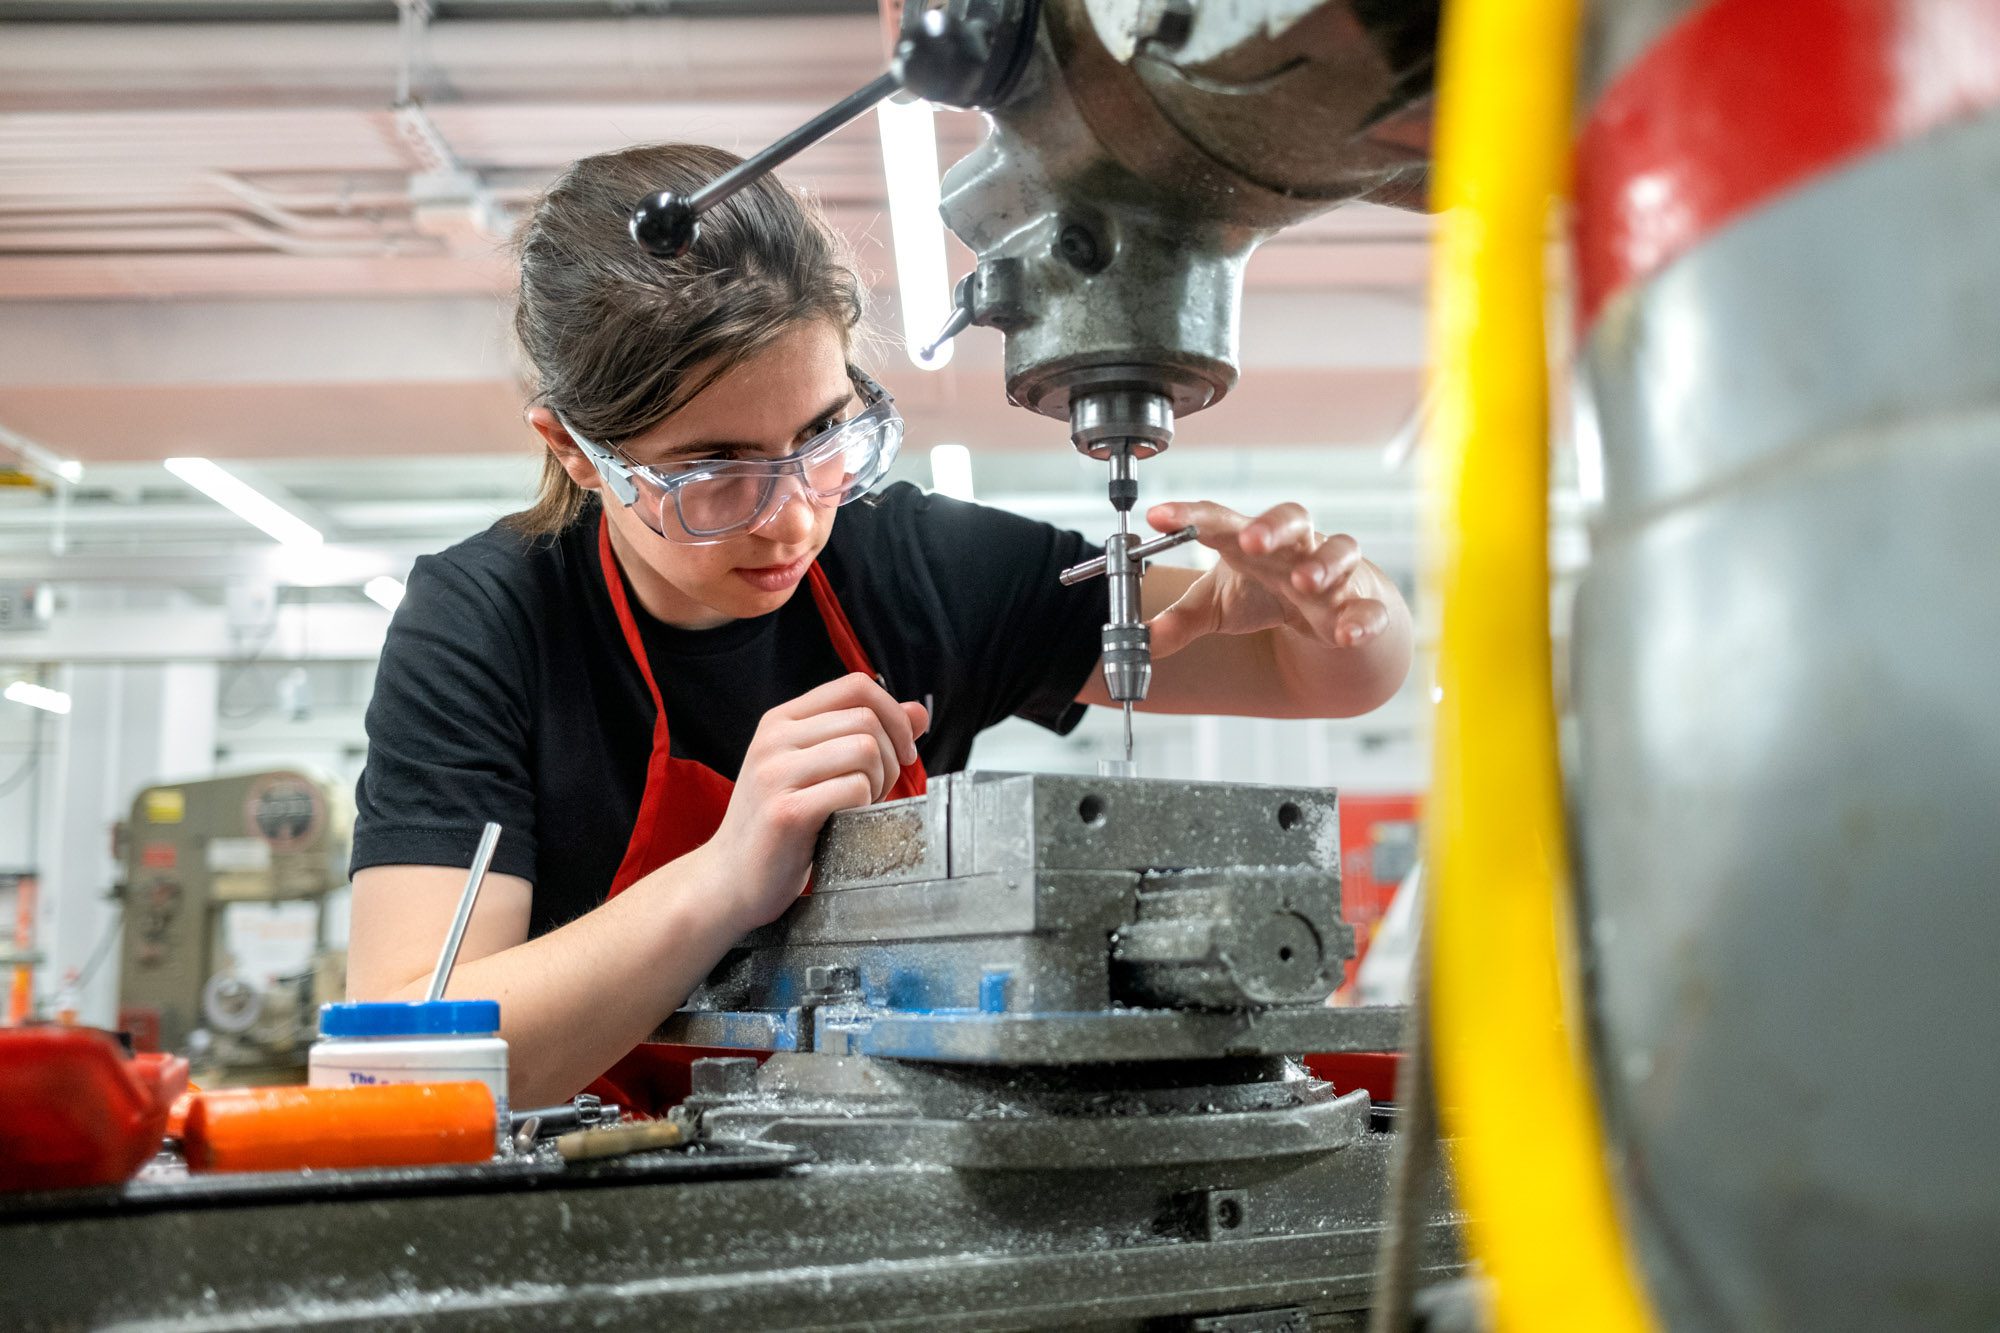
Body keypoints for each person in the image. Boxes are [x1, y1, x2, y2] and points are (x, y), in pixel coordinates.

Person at [345, 143, 1413, 1114]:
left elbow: (1324, 674)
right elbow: (399, 1068)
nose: (792, 517)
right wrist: (725, 877)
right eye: (714, 472)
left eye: (822, 437)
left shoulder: (915, 567)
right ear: (575, 450)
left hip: (884, 1182)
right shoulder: (486, 624)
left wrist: (1331, 603)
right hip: (587, 1198)